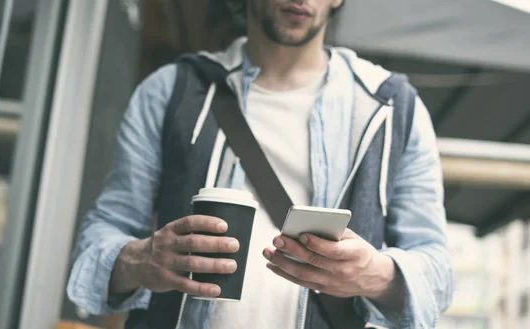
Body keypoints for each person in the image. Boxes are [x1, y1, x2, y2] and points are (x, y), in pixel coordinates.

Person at [67, 0, 453, 328]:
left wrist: (377, 274)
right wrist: (142, 259)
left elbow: (437, 272)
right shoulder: (172, 90)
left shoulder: (391, 106)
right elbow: (99, 237)